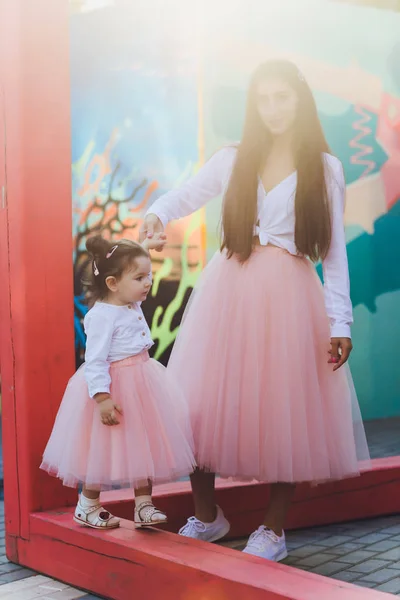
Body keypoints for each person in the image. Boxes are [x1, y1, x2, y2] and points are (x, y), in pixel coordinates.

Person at [140, 59, 370, 561]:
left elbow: (332, 253)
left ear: (300, 100)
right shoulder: (233, 158)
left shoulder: (325, 168)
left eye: (282, 98)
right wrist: (155, 214)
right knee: (199, 405)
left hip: (289, 295)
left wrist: (341, 322)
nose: (273, 109)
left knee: (287, 409)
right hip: (227, 293)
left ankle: (273, 530)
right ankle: (207, 515)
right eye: (263, 100)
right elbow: (186, 195)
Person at [41, 233, 195, 530]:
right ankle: (87, 505)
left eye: (148, 275)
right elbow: (95, 360)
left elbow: (129, 260)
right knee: (98, 449)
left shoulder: (129, 301)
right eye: (140, 278)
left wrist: (144, 248)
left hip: (143, 382)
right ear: (112, 284)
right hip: (114, 389)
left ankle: (144, 505)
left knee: (143, 442)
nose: (148, 283)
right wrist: (102, 398)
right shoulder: (102, 316)